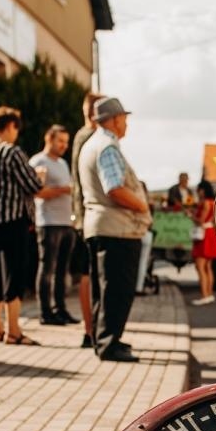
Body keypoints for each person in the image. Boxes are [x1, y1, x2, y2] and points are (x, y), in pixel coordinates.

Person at [79, 96, 151, 361]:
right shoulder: (107, 146)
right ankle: (110, 344)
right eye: (125, 118)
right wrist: (142, 206)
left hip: (99, 226)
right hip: (116, 229)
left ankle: (105, 341)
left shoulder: (91, 144)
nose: (126, 123)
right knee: (116, 289)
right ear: (115, 119)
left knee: (103, 288)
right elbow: (114, 188)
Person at [0, 106, 43, 345]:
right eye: (16, 128)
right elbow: (32, 184)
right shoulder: (12, 152)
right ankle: (14, 331)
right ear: (10, 126)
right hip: (11, 217)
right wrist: (40, 177)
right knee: (14, 271)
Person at [30, 125, 77, 325]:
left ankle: (60, 309)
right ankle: (45, 312)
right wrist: (63, 189)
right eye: (60, 141)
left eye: (66, 142)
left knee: (62, 270)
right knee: (47, 268)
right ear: (49, 139)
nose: (64, 146)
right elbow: (36, 192)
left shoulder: (64, 164)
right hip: (48, 222)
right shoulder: (38, 161)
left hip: (66, 222)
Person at [69, 91, 103, 347]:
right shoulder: (89, 136)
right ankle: (90, 330)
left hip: (83, 214)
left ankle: (91, 330)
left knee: (88, 273)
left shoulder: (82, 135)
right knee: (89, 274)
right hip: (88, 215)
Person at [191, 179, 216, 305]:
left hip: (204, 235)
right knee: (208, 267)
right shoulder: (213, 202)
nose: (198, 192)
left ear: (202, 190)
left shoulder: (205, 203)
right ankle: (209, 294)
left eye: (199, 190)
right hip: (210, 233)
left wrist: (190, 215)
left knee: (200, 267)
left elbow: (200, 220)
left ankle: (204, 295)